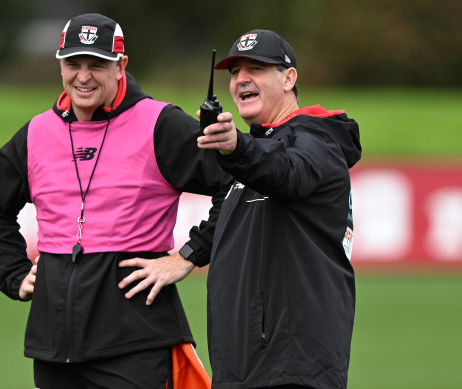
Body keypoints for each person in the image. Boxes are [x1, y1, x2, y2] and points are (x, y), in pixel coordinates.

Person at [0, 13, 230, 389]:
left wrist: (187, 256)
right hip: (53, 348)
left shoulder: (160, 122)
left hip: (136, 342)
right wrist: (14, 274)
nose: (83, 76)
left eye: (97, 65)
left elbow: (237, 187)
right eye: (73, 64)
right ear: (60, 65)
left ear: (121, 65)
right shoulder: (37, 132)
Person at [121, 29, 361, 388]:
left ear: (289, 78)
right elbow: (239, 201)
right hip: (243, 364)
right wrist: (186, 256)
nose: (241, 79)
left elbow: (287, 173)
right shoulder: (260, 150)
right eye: (234, 72)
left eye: (256, 68)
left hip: (291, 366)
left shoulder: (315, 139)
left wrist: (237, 149)